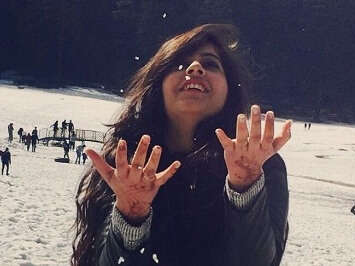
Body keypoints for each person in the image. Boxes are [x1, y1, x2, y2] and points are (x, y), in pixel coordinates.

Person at [72, 24, 292, 266]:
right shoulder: (125, 164)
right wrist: (130, 216)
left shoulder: (260, 166)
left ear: (230, 89)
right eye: (179, 63)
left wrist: (245, 188)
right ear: (158, 83)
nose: (195, 68)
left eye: (210, 64)